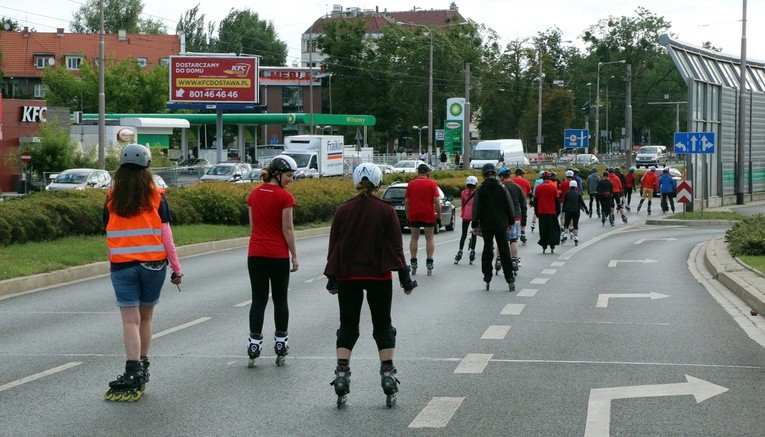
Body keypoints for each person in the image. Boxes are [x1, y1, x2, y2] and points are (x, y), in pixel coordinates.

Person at [324, 163, 417, 408]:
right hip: (379, 277)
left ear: (356, 182)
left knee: (347, 326)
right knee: (383, 325)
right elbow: (397, 248)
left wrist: (333, 278)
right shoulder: (386, 211)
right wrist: (406, 279)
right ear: (378, 183)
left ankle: (342, 374)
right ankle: (387, 376)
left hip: (348, 278)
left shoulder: (343, 210)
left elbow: (335, 246)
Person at [103, 143, 183, 401]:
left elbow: (110, 234)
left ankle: (131, 370)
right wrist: (176, 268)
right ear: (147, 168)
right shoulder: (157, 196)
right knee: (146, 319)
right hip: (154, 266)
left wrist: (111, 263)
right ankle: (143, 366)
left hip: (123, 266)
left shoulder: (111, 199)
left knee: (130, 321)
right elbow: (167, 237)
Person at [245, 155, 300, 367]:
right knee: (280, 300)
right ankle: (280, 342)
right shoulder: (285, 197)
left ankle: (254, 343)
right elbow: (287, 228)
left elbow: (253, 225)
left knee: (258, 300)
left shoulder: (254, 194)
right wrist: (294, 255)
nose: (290, 180)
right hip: (277, 255)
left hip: (256, 254)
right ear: (277, 174)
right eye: (288, 175)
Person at [471, 163, 516, 291]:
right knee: (504, 250)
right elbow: (509, 205)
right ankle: (509, 278)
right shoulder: (502, 188)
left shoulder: (480, 190)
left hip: (486, 225)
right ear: (495, 174)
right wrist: (511, 221)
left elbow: (476, 209)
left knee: (487, 248)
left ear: (484, 175)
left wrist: (474, 224)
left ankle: (487, 276)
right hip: (501, 224)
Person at [405, 163, 440, 276]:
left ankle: (413, 261)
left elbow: (406, 201)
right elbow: (437, 202)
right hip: (428, 214)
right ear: (427, 173)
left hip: (414, 214)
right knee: (429, 238)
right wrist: (438, 215)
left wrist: (407, 215)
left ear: (418, 172)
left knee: (414, 238)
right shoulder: (432, 184)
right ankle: (429, 262)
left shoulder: (411, 184)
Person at [497, 167, 525, 275]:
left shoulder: (499, 188)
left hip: (501, 218)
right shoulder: (517, 187)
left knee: (500, 240)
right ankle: (514, 260)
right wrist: (524, 220)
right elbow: (523, 204)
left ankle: (499, 259)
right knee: (513, 240)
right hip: (515, 218)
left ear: (502, 177)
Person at [533, 171, 560, 254]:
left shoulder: (538, 188)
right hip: (552, 211)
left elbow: (535, 201)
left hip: (542, 211)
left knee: (543, 229)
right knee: (552, 229)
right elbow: (557, 201)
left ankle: (544, 244)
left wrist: (536, 212)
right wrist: (558, 212)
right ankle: (552, 244)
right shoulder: (553, 187)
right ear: (549, 178)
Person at [454, 176, 478, 265]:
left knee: (463, 234)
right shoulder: (477, 193)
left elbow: (462, 203)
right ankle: (472, 251)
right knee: (474, 234)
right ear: (476, 184)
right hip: (475, 216)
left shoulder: (463, 193)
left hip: (465, 215)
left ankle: (460, 251)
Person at [560, 181, 589, 246]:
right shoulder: (578, 194)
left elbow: (565, 202)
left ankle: (565, 235)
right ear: (576, 186)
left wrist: (563, 209)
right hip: (576, 211)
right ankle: (576, 238)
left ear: (570, 186)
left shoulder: (567, 193)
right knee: (575, 224)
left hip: (568, 210)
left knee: (566, 224)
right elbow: (582, 202)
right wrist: (586, 209)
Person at [511, 168, 532, 245]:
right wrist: (531, 200)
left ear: (516, 174)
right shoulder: (525, 181)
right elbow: (530, 193)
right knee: (523, 215)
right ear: (522, 174)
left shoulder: (512, 180)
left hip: (513, 201)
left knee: (514, 216)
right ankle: (522, 232)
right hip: (522, 201)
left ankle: (513, 232)